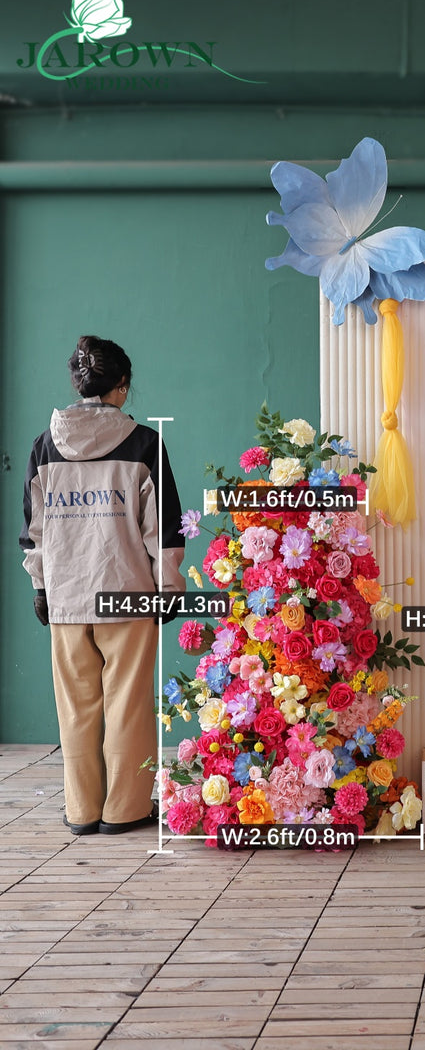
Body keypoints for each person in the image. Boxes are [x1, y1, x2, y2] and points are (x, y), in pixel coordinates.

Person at [19, 336, 185, 835]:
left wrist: (41, 587)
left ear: (77, 383)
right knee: (127, 705)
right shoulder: (144, 443)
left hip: (67, 597)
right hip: (130, 595)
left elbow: (35, 531)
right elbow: (165, 528)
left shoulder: (44, 446)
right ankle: (124, 810)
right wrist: (168, 589)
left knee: (75, 708)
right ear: (122, 386)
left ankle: (81, 810)